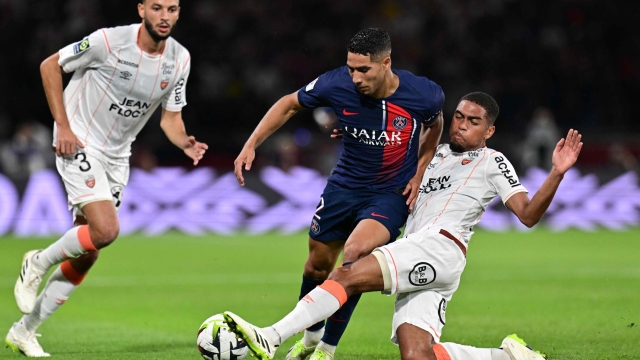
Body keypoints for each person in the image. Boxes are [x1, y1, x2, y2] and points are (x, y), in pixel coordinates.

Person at [224, 92, 583, 360]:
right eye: (458, 117)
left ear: (489, 130)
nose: (461, 125)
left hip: (441, 245)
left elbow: (528, 214)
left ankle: (271, 337)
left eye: (473, 121)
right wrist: (356, 134)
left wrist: (556, 173)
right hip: (424, 254)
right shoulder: (433, 153)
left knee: (346, 275)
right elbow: (387, 145)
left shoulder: (493, 162)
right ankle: (505, 356)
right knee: (417, 355)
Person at [6, 0, 207, 357]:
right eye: (158, 8)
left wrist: (184, 143)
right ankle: (36, 262)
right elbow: (50, 65)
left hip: (117, 155)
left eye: (173, 9)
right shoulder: (108, 42)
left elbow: (170, 119)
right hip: (78, 140)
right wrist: (64, 126)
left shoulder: (180, 59)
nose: (165, 17)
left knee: (88, 254)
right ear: (141, 9)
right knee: (106, 231)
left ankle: (24, 331)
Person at [233, 28, 444, 360]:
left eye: (364, 70)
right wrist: (251, 143)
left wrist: (420, 169)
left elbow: (435, 124)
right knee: (318, 266)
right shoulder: (335, 84)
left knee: (355, 255)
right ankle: (310, 337)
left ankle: (327, 350)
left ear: (386, 63)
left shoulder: (424, 94)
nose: (356, 77)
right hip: (343, 187)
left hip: (388, 194)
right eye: (351, 68)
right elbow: (289, 104)